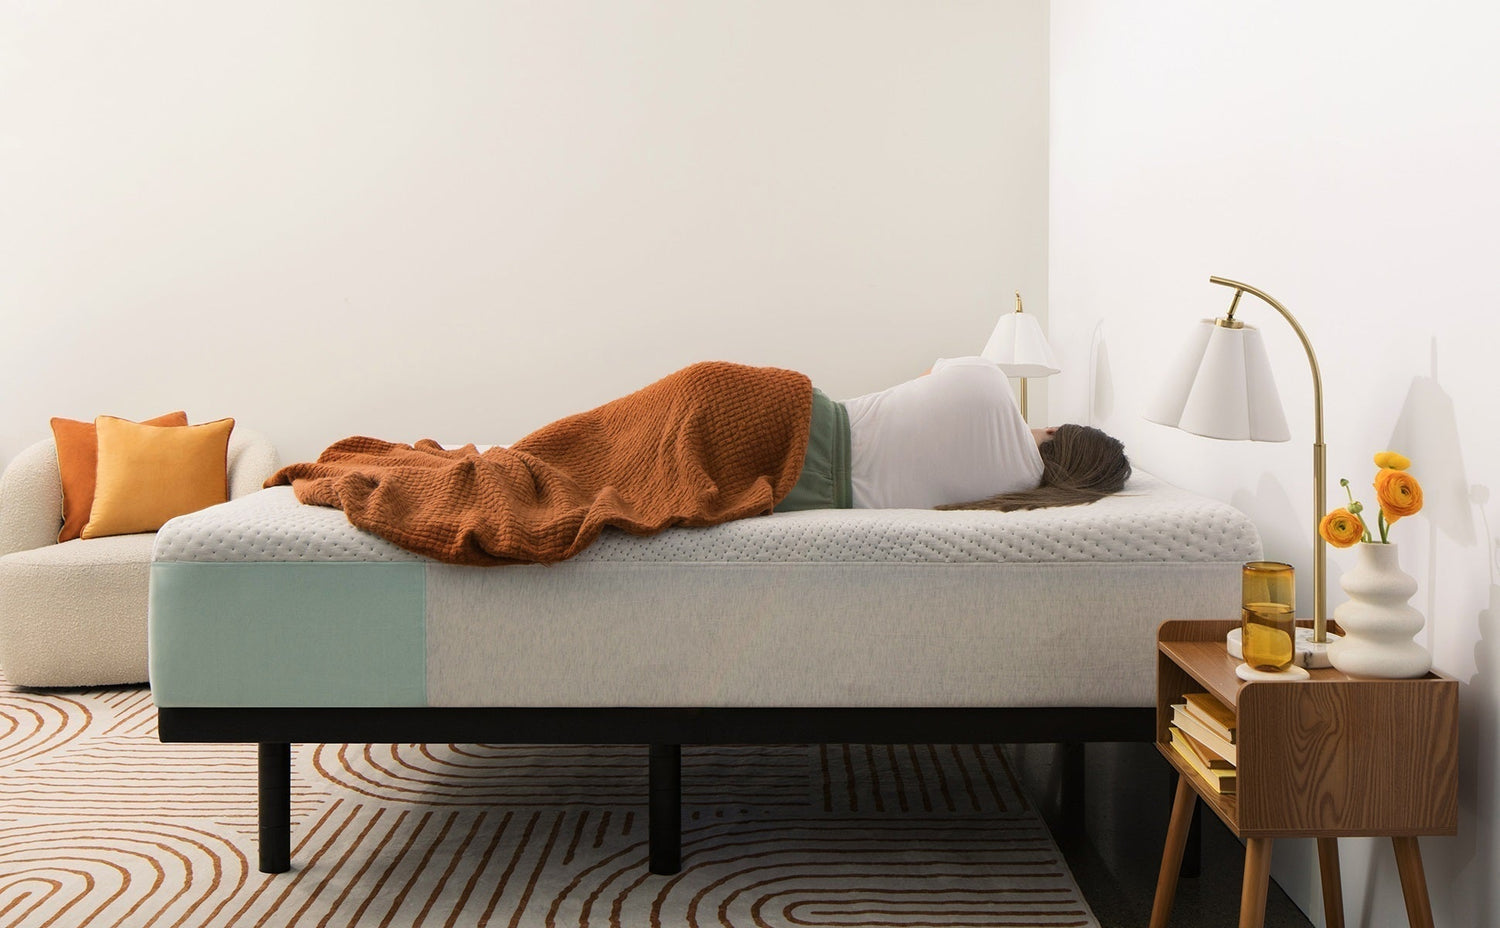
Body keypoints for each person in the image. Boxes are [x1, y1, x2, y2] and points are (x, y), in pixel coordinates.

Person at [776, 356, 1131, 513]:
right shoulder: (1006, 504)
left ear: (1055, 429)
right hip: (815, 497)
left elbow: (923, 381)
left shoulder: (989, 380)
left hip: (812, 420)